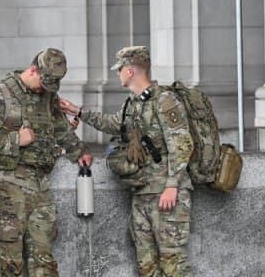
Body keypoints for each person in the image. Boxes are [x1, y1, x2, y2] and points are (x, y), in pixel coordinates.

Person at [59, 46, 194, 277]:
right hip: (141, 192)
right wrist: (78, 112)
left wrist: (172, 186)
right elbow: (113, 124)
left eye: (119, 69)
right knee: (146, 265)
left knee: (174, 266)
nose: (117, 73)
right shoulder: (132, 103)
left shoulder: (164, 100)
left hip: (165, 194)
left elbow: (181, 144)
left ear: (130, 70)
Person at [0, 48, 93, 277]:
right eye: (43, 83)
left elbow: (59, 127)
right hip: (7, 184)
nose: (45, 90)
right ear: (34, 70)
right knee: (9, 261)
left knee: (44, 258)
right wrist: (18, 139)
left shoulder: (47, 95)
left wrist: (78, 150)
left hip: (40, 184)